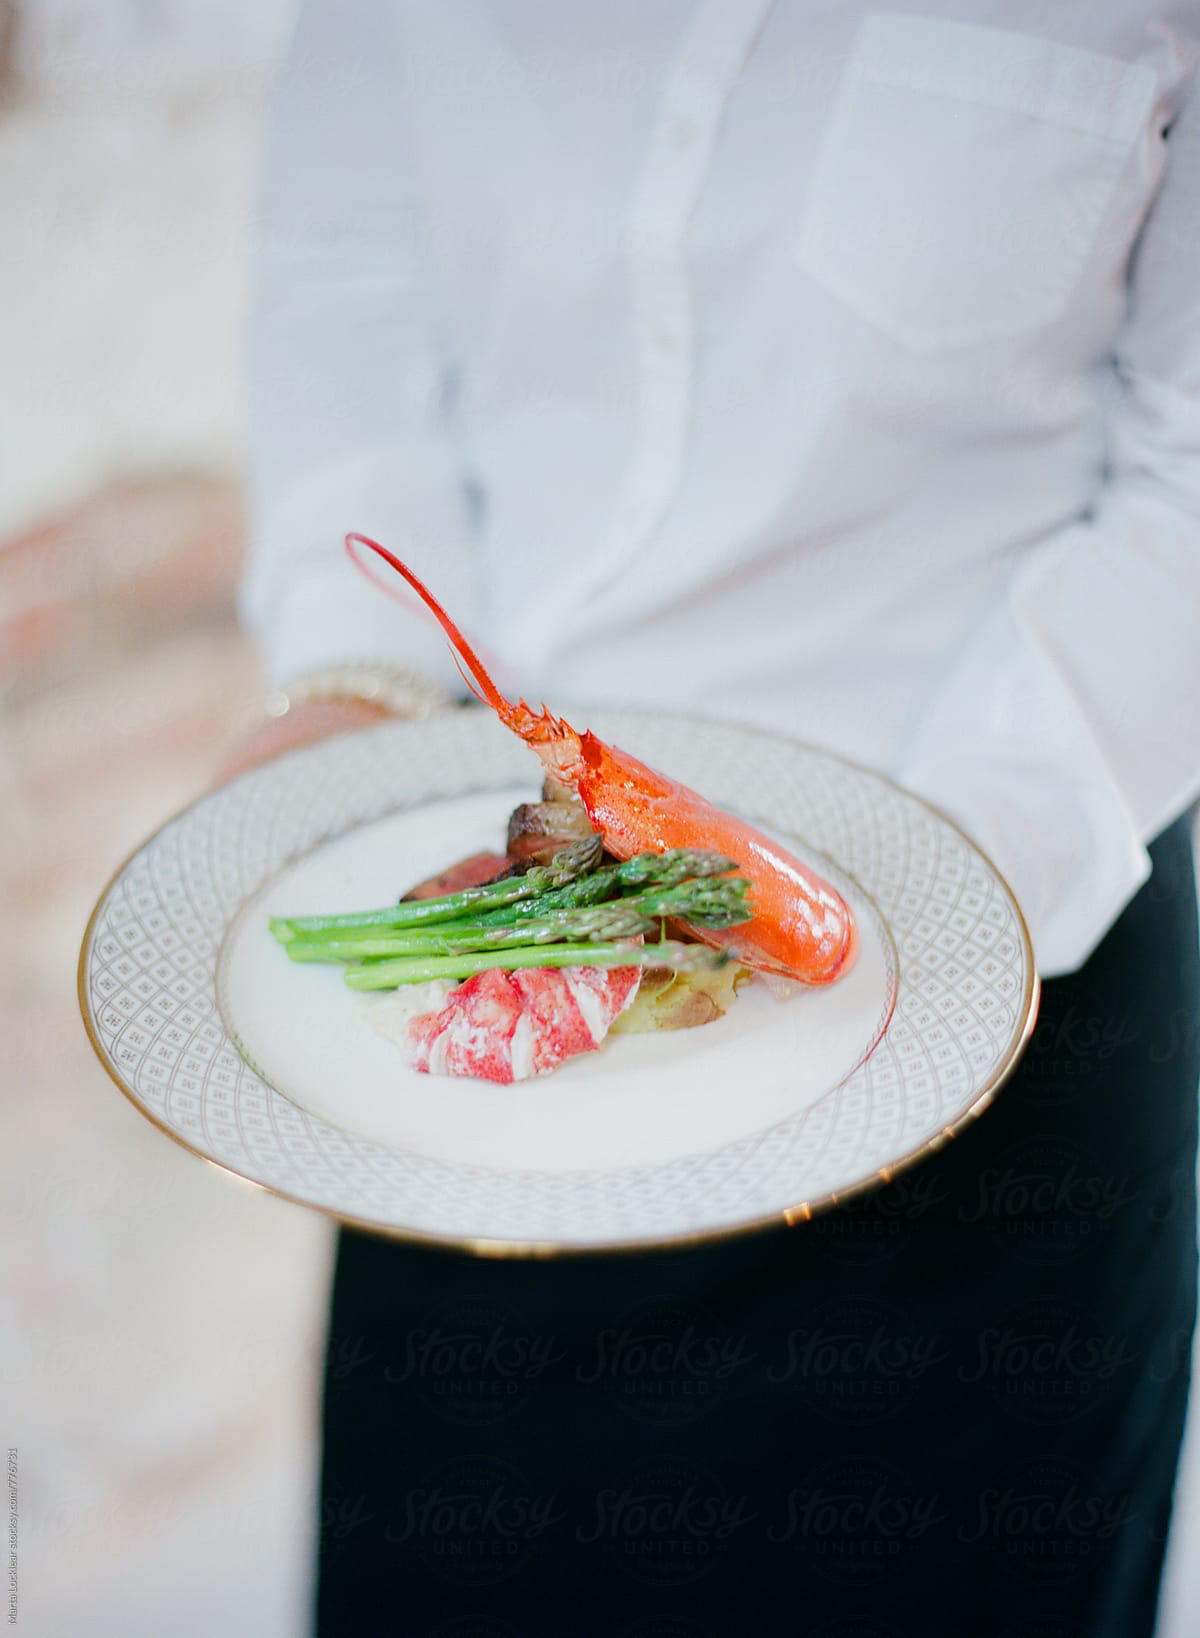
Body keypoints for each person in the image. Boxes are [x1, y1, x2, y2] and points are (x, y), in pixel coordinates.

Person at [229, 4, 1200, 1634]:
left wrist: (931, 891)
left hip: (1016, 997)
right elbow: (348, 303)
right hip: (523, 1029)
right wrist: (358, 690)